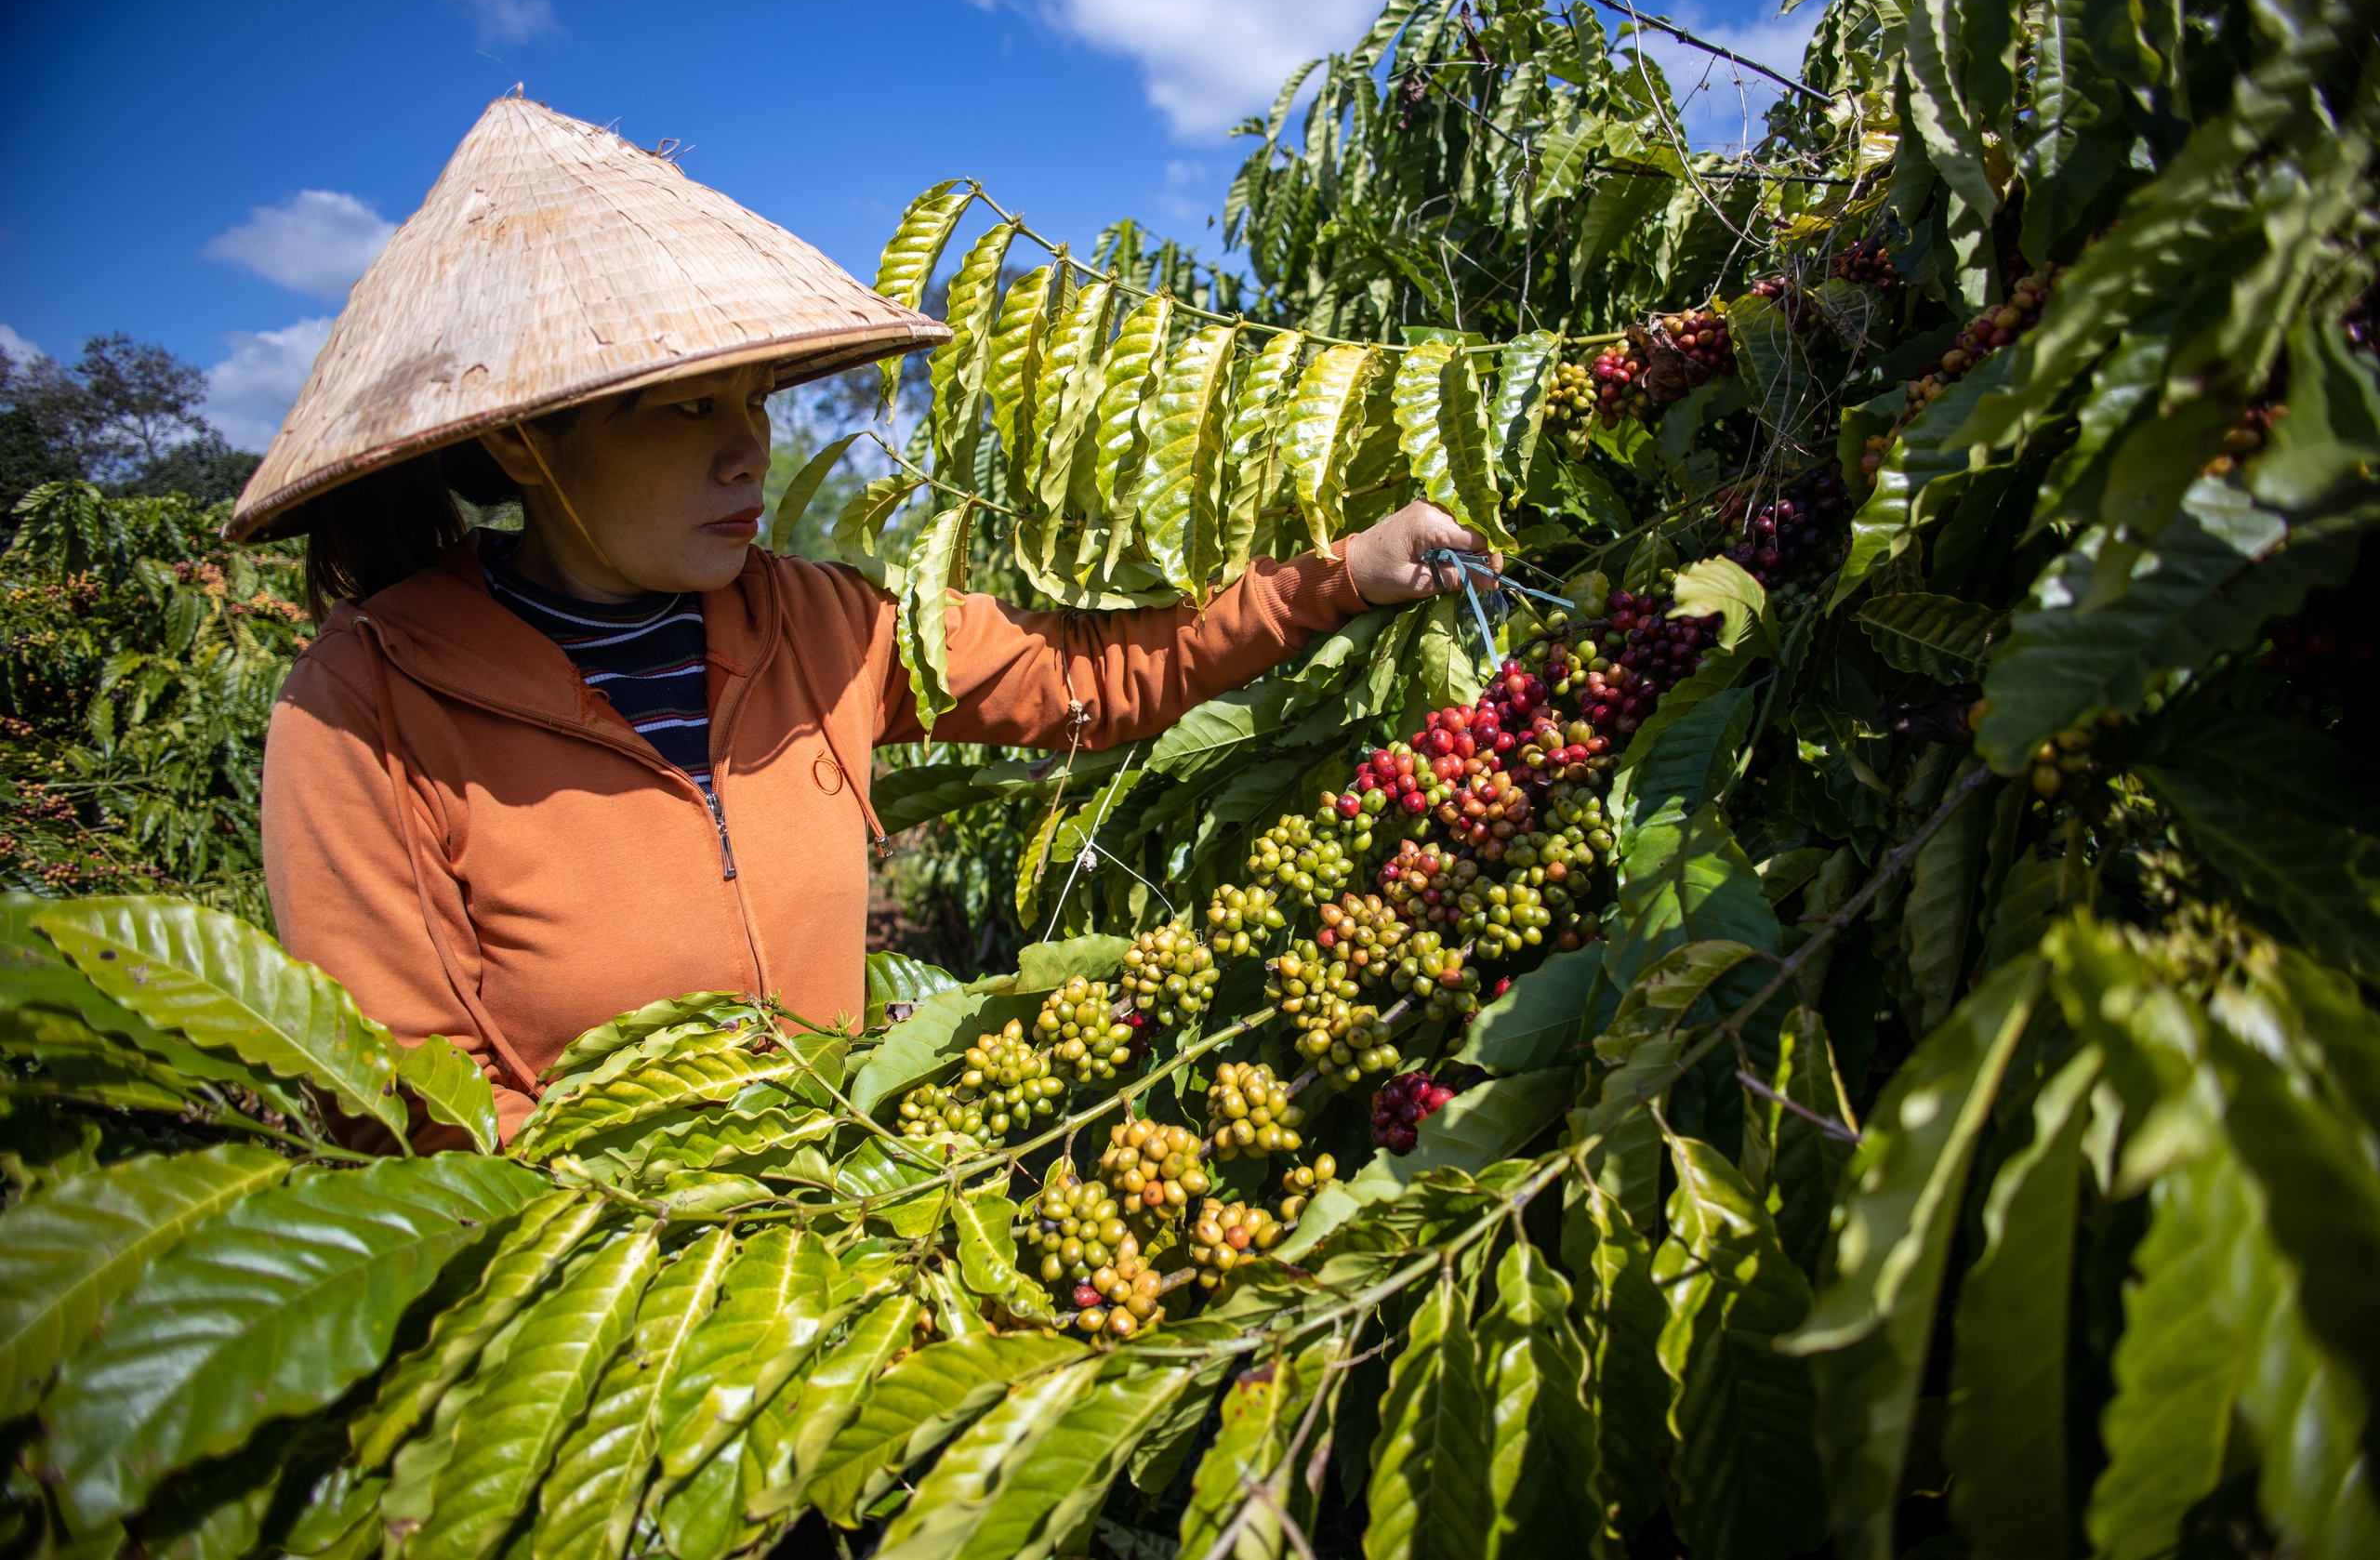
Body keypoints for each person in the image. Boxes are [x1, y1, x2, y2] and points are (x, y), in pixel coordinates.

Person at [237, 97, 1490, 1147]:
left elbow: (1088, 677)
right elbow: (415, 1109)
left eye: (752, 399)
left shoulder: (822, 625)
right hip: (593, 1324)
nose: (747, 451)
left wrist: (1339, 573)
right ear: (520, 437)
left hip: (844, 1250)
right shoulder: (372, 704)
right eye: (680, 410)